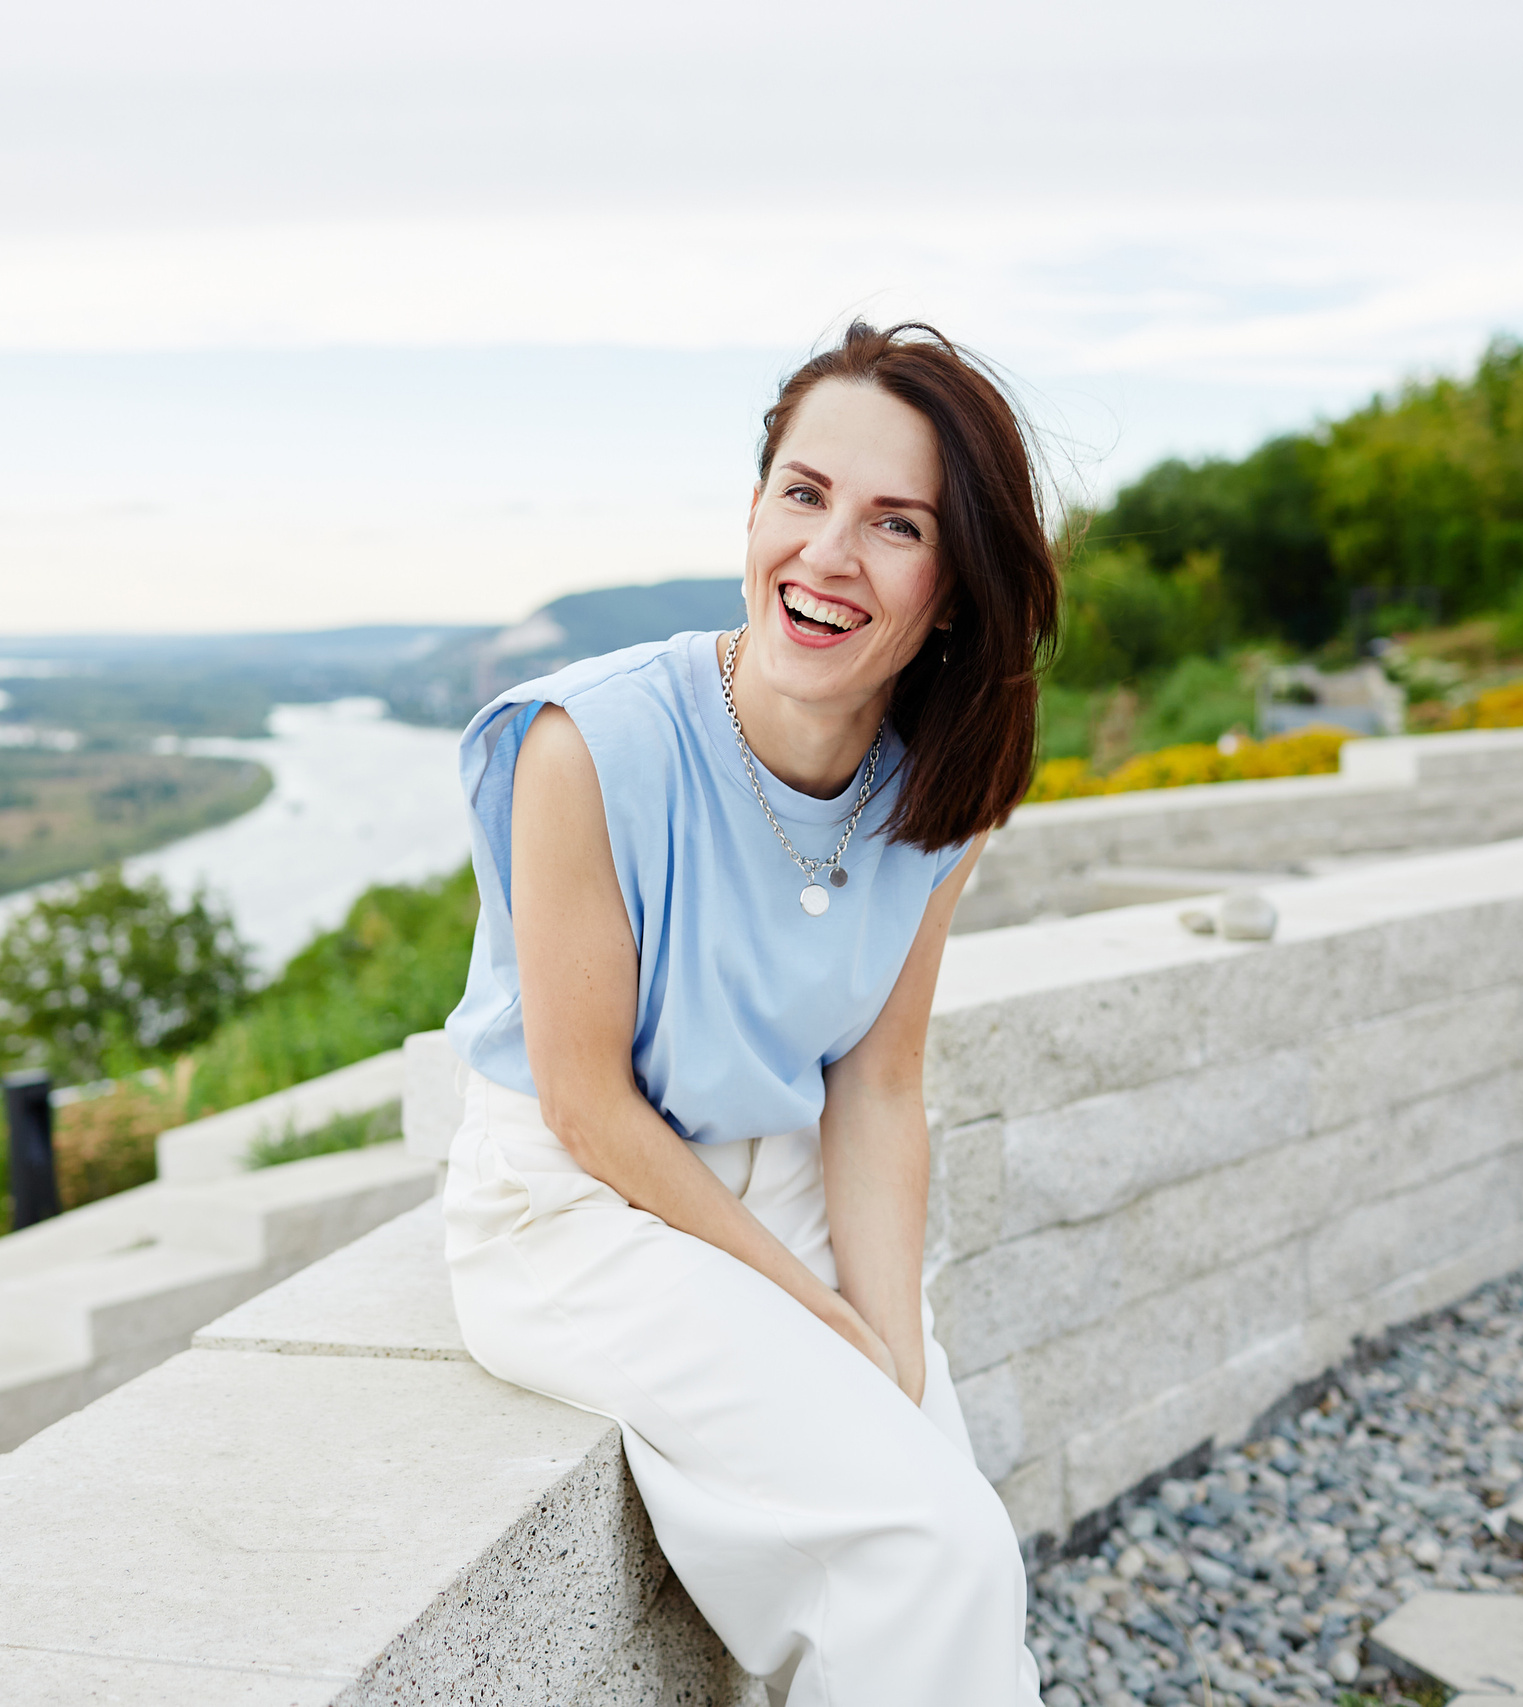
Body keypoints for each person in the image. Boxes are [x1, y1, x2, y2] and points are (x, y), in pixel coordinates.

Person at [441, 321, 1059, 1705]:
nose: (828, 554)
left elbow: (880, 1089)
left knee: (952, 1534)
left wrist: (889, 1344)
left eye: (894, 524)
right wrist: (813, 1318)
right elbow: (585, 1105)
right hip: (572, 1206)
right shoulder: (584, 744)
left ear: (952, 590)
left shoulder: (940, 802)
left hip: (768, 1176)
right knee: (929, 1551)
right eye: (803, 493)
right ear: (757, 505)